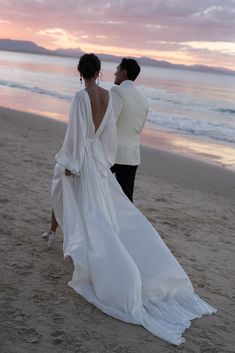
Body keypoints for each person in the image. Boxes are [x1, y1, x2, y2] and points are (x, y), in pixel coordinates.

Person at [47, 53, 216, 345]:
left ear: (80, 72)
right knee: (101, 209)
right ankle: (57, 236)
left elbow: (74, 134)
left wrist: (71, 163)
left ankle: (60, 238)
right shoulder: (108, 97)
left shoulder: (80, 97)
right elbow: (109, 135)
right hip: (100, 158)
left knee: (78, 201)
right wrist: (103, 160)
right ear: (98, 72)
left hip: (83, 157)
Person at [110, 58, 149, 202]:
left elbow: (109, 122)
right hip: (132, 155)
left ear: (124, 72)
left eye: (117, 69)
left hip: (112, 152)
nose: (115, 73)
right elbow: (138, 129)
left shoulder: (118, 91)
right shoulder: (144, 100)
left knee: (96, 191)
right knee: (126, 200)